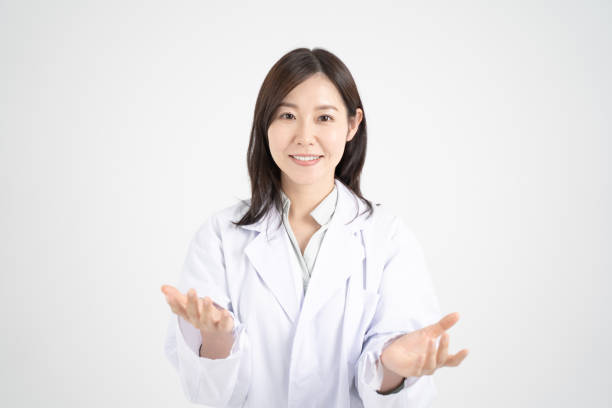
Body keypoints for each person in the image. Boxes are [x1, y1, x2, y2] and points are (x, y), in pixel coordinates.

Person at [161, 47, 468, 407]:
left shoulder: (389, 239)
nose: (305, 136)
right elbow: (206, 394)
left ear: (352, 125)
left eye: (324, 118)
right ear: (266, 123)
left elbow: (395, 381)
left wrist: (392, 367)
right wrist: (217, 340)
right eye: (288, 115)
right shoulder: (220, 237)